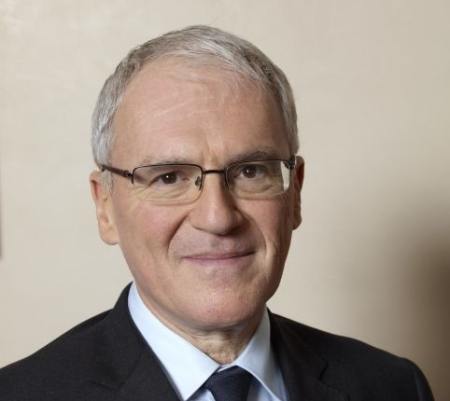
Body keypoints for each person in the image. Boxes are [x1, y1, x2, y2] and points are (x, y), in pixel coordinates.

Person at [0, 25, 434, 401]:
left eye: (250, 171)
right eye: (169, 177)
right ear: (105, 207)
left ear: (295, 194)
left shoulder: (394, 387)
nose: (217, 218)